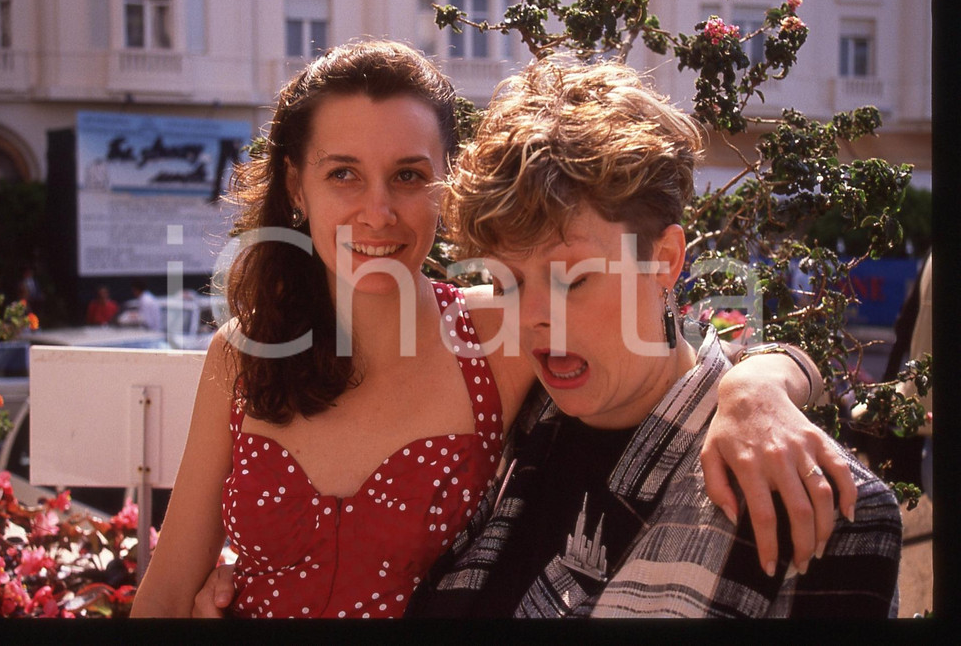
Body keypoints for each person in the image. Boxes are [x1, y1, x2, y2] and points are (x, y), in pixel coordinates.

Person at [132, 40, 854, 620]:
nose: (378, 211)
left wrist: (762, 383)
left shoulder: (501, 329)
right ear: (297, 187)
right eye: (344, 174)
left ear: (447, 185)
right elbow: (166, 594)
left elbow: (660, 343)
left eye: (410, 176)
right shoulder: (244, 354)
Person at [403, 58, 902, 617]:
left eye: (575, 278)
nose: (534, 317)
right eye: (508, 279)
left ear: (664, 259)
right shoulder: (508, 415)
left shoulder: (812, 511)